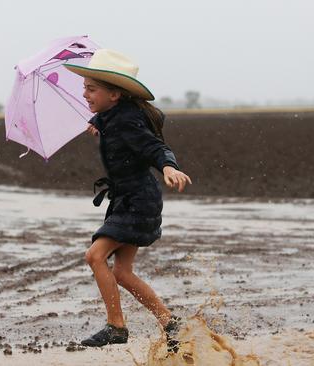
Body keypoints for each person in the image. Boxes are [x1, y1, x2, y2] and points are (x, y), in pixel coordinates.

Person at [63, 49, 192, 352]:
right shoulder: (113, 116)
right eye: (84, 88)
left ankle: (116, 326)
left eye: (91, 89)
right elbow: (113, 120)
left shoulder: (126, 120)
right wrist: (99, 122)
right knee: (121, 271)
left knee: (95, 256)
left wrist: (169, 166)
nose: (84, 94)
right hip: (127, 199)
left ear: (115, 94)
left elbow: (153, 147)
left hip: (138, 200)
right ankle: (170, 323)